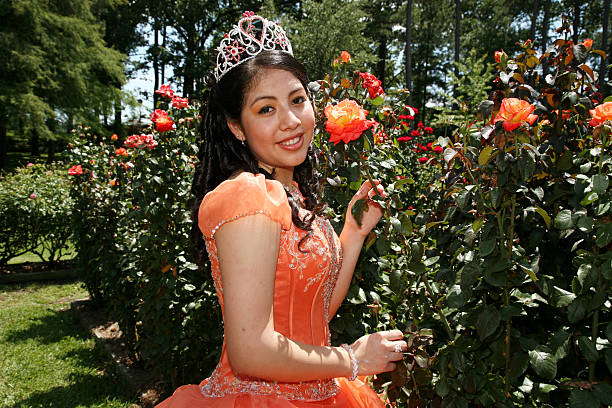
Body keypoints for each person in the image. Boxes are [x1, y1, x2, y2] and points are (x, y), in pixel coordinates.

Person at [155, 11, 406, 408]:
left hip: (320, 389)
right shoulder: (247, 195)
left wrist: (353, 234)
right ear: (237, 127)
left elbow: (316, 313)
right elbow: (251, 351)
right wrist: (351, 359)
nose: (291, 121)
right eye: (266, 109)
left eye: (297, 100)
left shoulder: (291, 195)